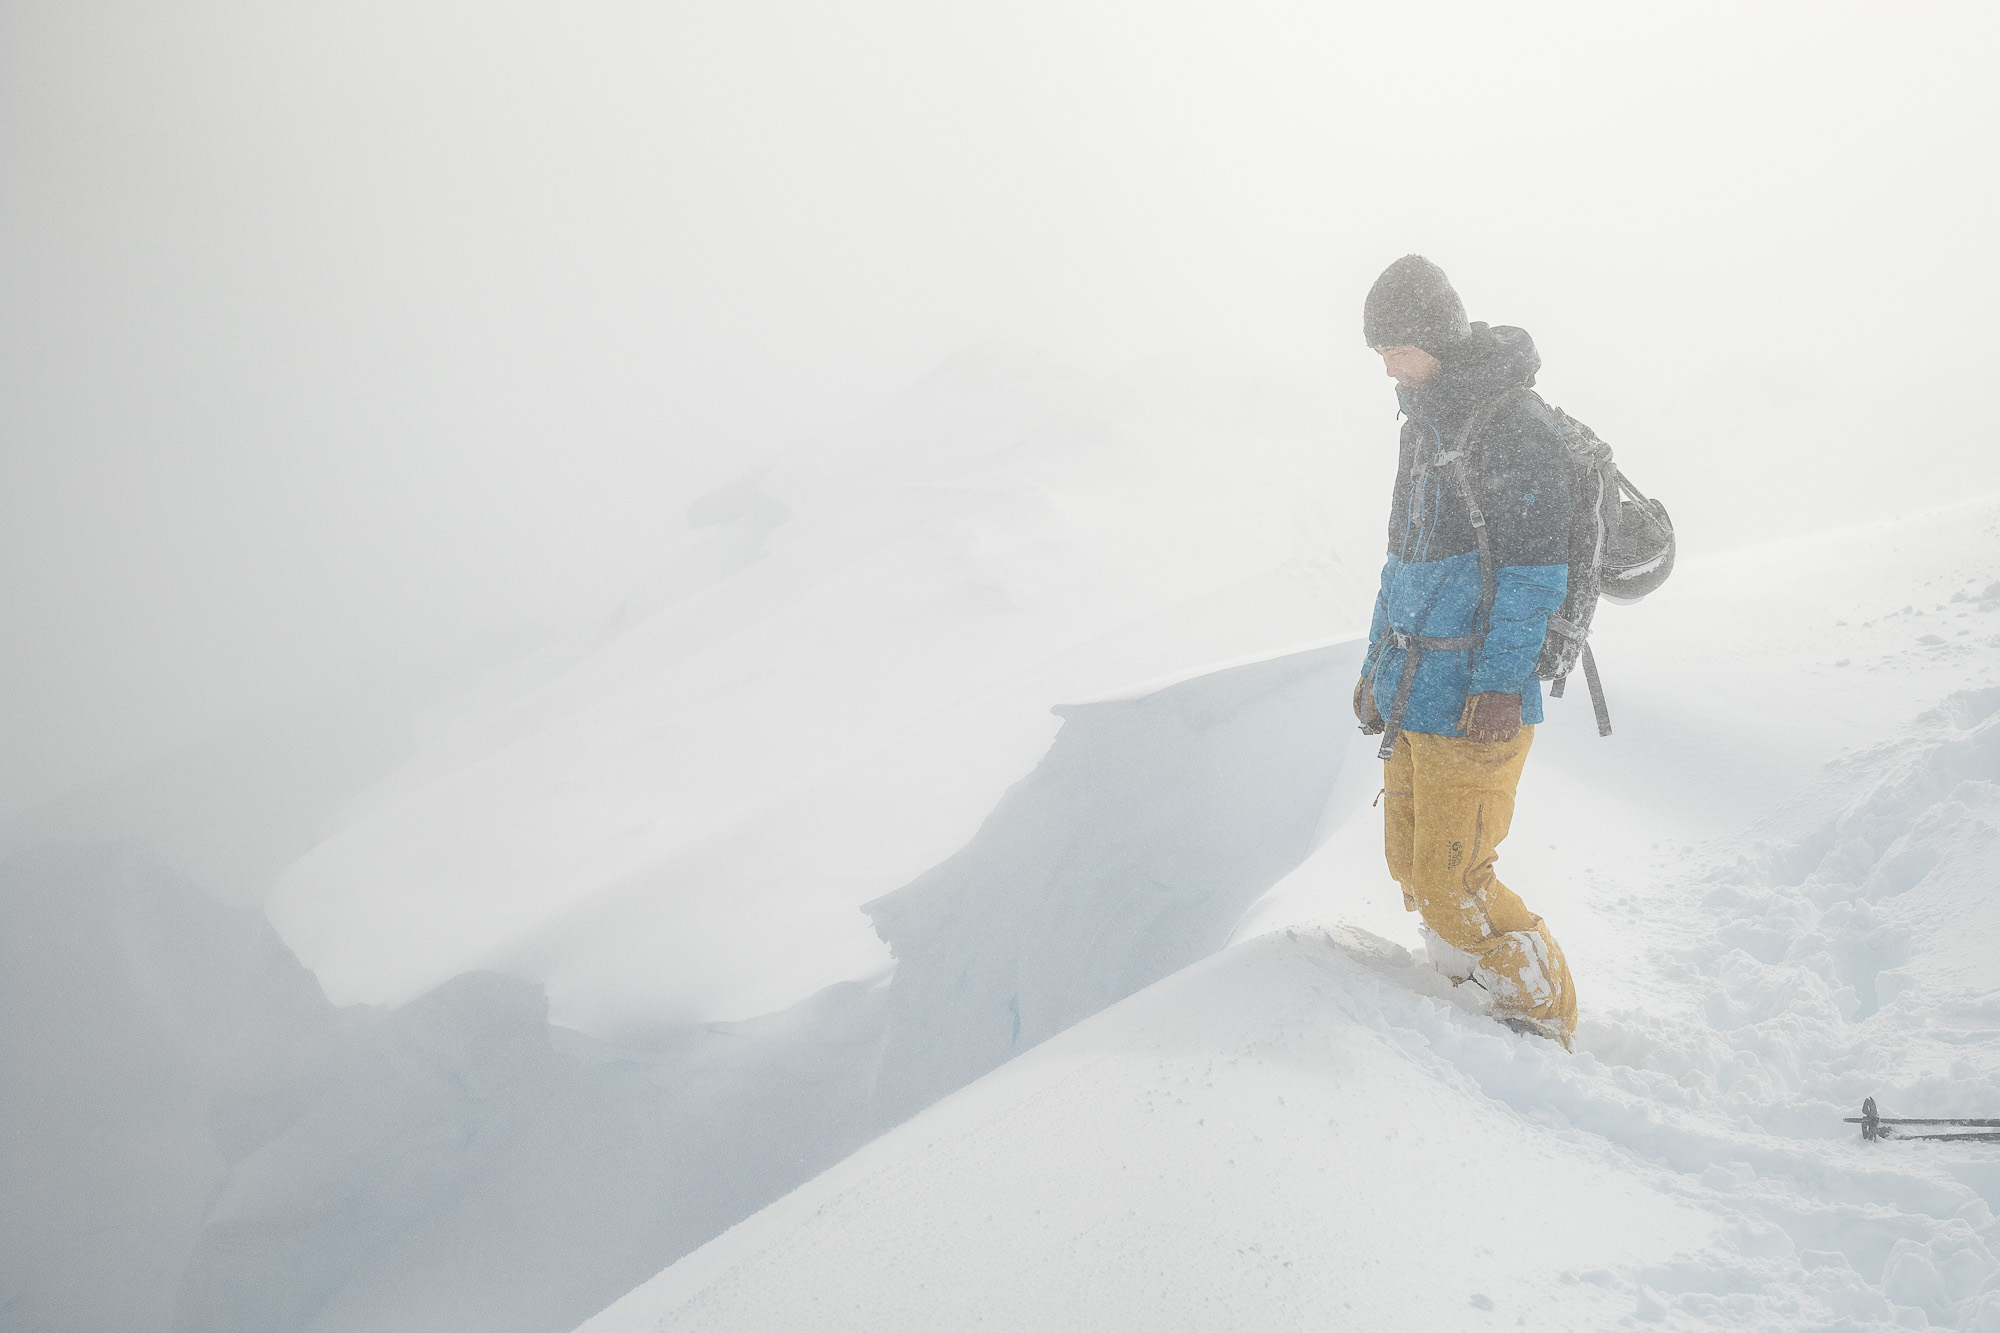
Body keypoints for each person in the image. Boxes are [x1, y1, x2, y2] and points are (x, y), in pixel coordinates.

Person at [1352, 254, 1579, 1048]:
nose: (1387, 365)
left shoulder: (1513, 423)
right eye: (1379, 351)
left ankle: (1543, 1023)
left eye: (1398, 347)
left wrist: (1503, 683)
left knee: (1453, 879)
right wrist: (1376, 667)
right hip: (1418, 687)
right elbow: (1401, 562)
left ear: (1438, 336)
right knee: (1414, 870)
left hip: (1478, 698)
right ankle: (1468, 1000)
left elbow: (1535, 573)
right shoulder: (1424, 427)